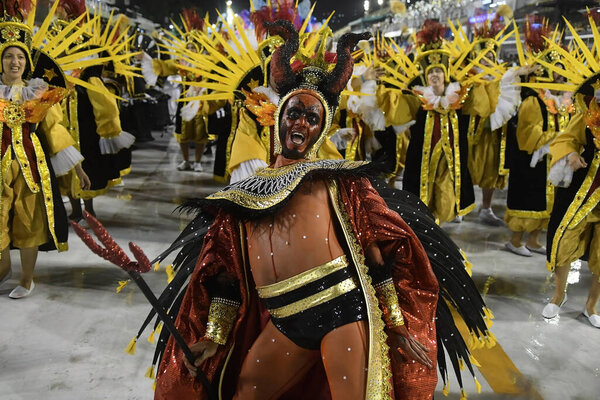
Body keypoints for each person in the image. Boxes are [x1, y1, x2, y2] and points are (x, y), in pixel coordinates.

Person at [78, 21, 491, 399]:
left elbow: (378, 253)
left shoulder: (340, 181)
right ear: (279, 118)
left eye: (313, 117)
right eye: (295, 112)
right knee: (245, 391)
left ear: (322, 128)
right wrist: (216, 335)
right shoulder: (245, 194)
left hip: (341, 311)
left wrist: (396, 324)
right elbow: (225, 274)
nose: (302, 123)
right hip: (283, 319)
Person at [0, 1, 90, 298]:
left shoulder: (37, 93)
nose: (15, 62)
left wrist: (77, 168)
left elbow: (56, 131)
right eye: (9, 56)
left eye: (20, 58)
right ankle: (3, 270)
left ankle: (26, 279)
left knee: (29, 221)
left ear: (27, 63)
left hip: (30, 167)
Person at [538, 12, 600, 327]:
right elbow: (565, 139)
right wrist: (573, 154)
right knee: (565, 238)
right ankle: (558, 296)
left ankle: (591, 306)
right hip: (585, 185)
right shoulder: (589, 109)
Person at [504, 16, 573, 257]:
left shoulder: (562, 101)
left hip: (552, 162)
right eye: (556, 72)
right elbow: (527, 135)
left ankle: (534, 240)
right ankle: (515, 240)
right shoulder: (533, 99)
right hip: (531, 162)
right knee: (528, 201)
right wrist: (553, 138)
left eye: (562, 73)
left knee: (548, 205)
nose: (560, 77)